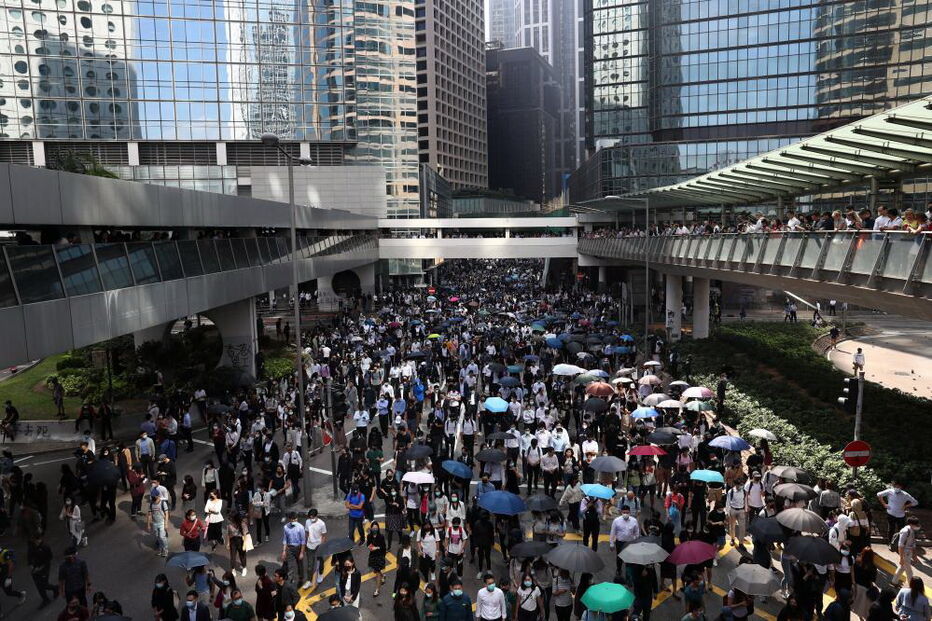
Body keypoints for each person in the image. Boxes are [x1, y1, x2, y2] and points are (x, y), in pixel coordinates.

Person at [28, 534, 57, 608]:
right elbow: (29, 556)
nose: (35, 542)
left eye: (36, 540)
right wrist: (31, 565)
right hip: (34, 569)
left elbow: (49, 558)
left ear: (39, 539)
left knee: (44, 585)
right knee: (38, 585)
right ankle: (45, 599)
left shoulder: (45, 547)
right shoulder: (31, 545)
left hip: (44, 569)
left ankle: (55, 588)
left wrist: (40, 568)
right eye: (34, 541)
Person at [893, 516, 921, 586]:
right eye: (916, 524)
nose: (917, 526)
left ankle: (894, 581)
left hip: (908, 553)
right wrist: (901, 558)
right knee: (909, 571)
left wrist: (915, 556)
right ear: (911, 524)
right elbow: (900, 545)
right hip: (905, 553)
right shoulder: (905, 531)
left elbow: (913, 544)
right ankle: (912, 586)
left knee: (902, 568)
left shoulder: (911, 530)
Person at [280, 512, 306, 586]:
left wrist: (301, 552)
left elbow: (303, 541)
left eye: (294, 519)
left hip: (298, 548)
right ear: (289, 519)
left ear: (297, 519)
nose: (293, 521)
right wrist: (284, 551)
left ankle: (301, 578)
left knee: (300, 564)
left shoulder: (300, 527)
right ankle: (290, 579)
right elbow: (285, 540)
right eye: (291, 520)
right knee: (290, 565)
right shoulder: (286, 527)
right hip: (290, 548)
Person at [303, 509, 327, 588]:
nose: (311, 519)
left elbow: (323, 536)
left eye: (313, 517)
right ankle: (309, 581)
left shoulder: (322, 524)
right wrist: (306, 543)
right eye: (310, 517)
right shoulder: (307, 522)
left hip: (318, 545)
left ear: (317, 516)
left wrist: (322, 545)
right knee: (310, 565)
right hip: (310, 546)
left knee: (320, 562)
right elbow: (306, 533)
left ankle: (320, 574)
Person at [367, 521, 387, 596]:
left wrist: (377, 548)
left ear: (378, 528)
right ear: (371, 528)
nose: (375, 529)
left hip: (380, 556)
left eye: (376, 528)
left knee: (377, 574)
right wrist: (370, 547)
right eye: (373, 528)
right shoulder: (369, 536)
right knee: (376, 570)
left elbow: (383, 547)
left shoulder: (381, 536)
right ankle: (383, 575)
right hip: (372, 556)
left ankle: (377, 590)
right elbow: (368, 544)